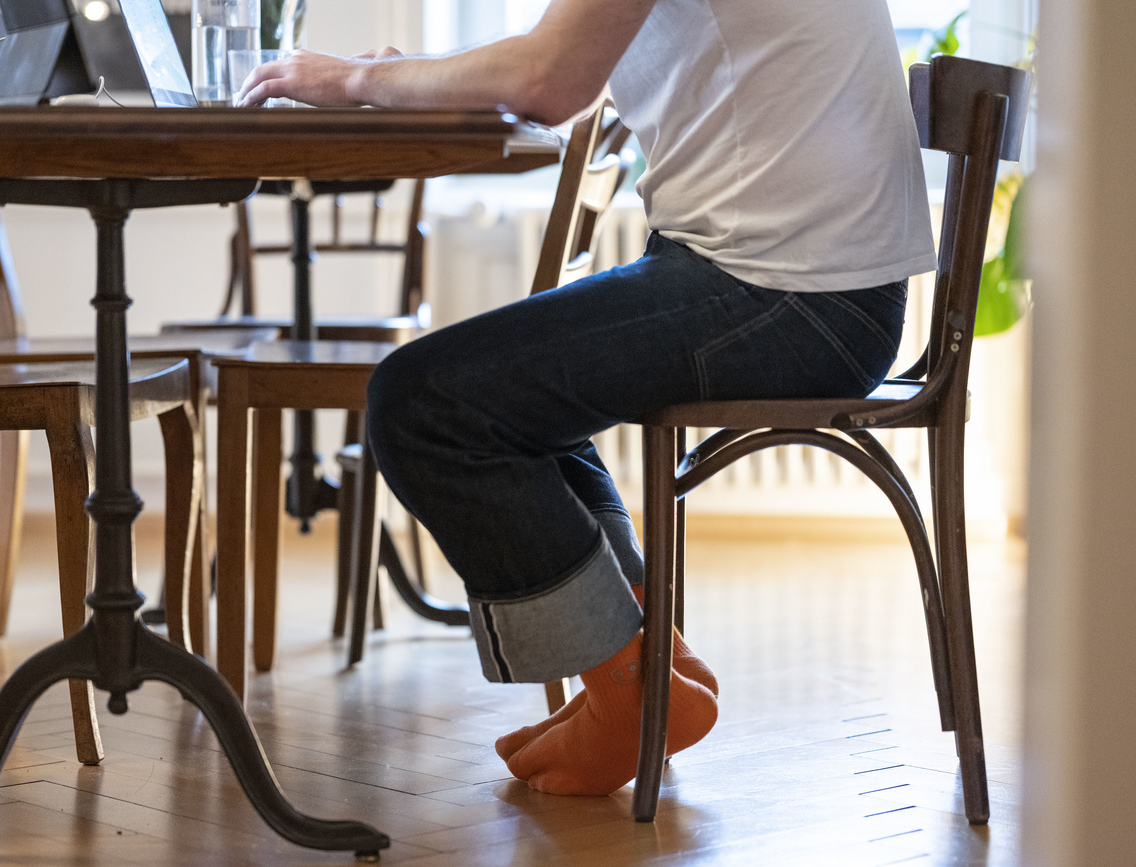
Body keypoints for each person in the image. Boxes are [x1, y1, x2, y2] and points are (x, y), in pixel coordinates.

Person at [238, 0, 936, 797]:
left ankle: (630, 692)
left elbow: (546, 81)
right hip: (817, 287)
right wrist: (400, 78)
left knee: (424, 402)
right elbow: (557, 53)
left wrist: (360, 78)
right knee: (507, 389)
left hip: (787, 296)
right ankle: (650, 666)